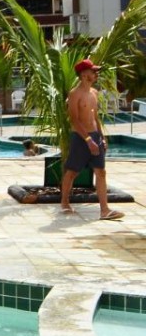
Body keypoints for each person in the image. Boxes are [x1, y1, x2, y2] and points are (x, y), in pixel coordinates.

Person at [61, 58, 123, 220]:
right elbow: (74, 119)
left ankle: (104, 210)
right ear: (83, 74)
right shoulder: (75, 94)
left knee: (101, 172)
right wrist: (88, 140)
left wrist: (101, 137)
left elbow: (95, 118)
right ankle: (64, 202)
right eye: (93, 71)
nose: (96, 74)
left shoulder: (94, 93)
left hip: (95, 136)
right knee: (72, 172)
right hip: (80, 137)